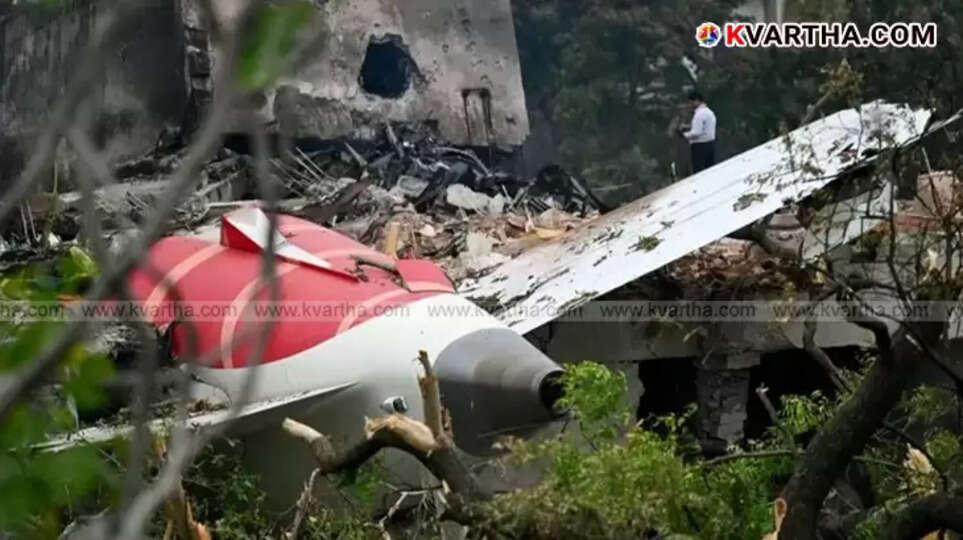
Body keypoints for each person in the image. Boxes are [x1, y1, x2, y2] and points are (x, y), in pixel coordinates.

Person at [679, 91, 717, 174]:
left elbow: (696, 132)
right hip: (710, 144)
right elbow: (704, 127)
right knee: (709, 170)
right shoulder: (709, 112)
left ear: (696, 101)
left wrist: (683, 135)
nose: (690, 105)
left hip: (700, 147)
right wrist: (687, 127)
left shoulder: (699, 114)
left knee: (699, 171)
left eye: (691, 102)